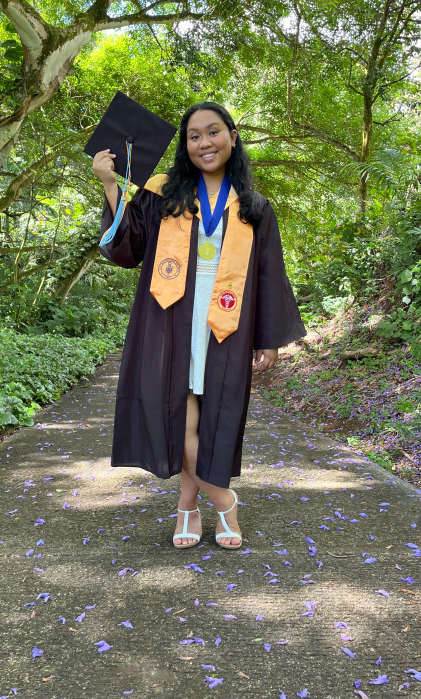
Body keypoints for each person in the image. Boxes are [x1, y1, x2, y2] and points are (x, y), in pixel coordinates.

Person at [93, 101, 306, 550]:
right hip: (170, 318)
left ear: (231, 135)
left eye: (213, 132)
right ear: (185, 145)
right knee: (179, 415)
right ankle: (223, 501)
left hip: (228, 323)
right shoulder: (161, 192)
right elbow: (128, 246)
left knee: (214, 416)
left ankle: (187, 509)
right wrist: (111, 185)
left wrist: (268, 338)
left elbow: (269, 273)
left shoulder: (253, 206)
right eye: (194, 136)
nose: (204, 143)